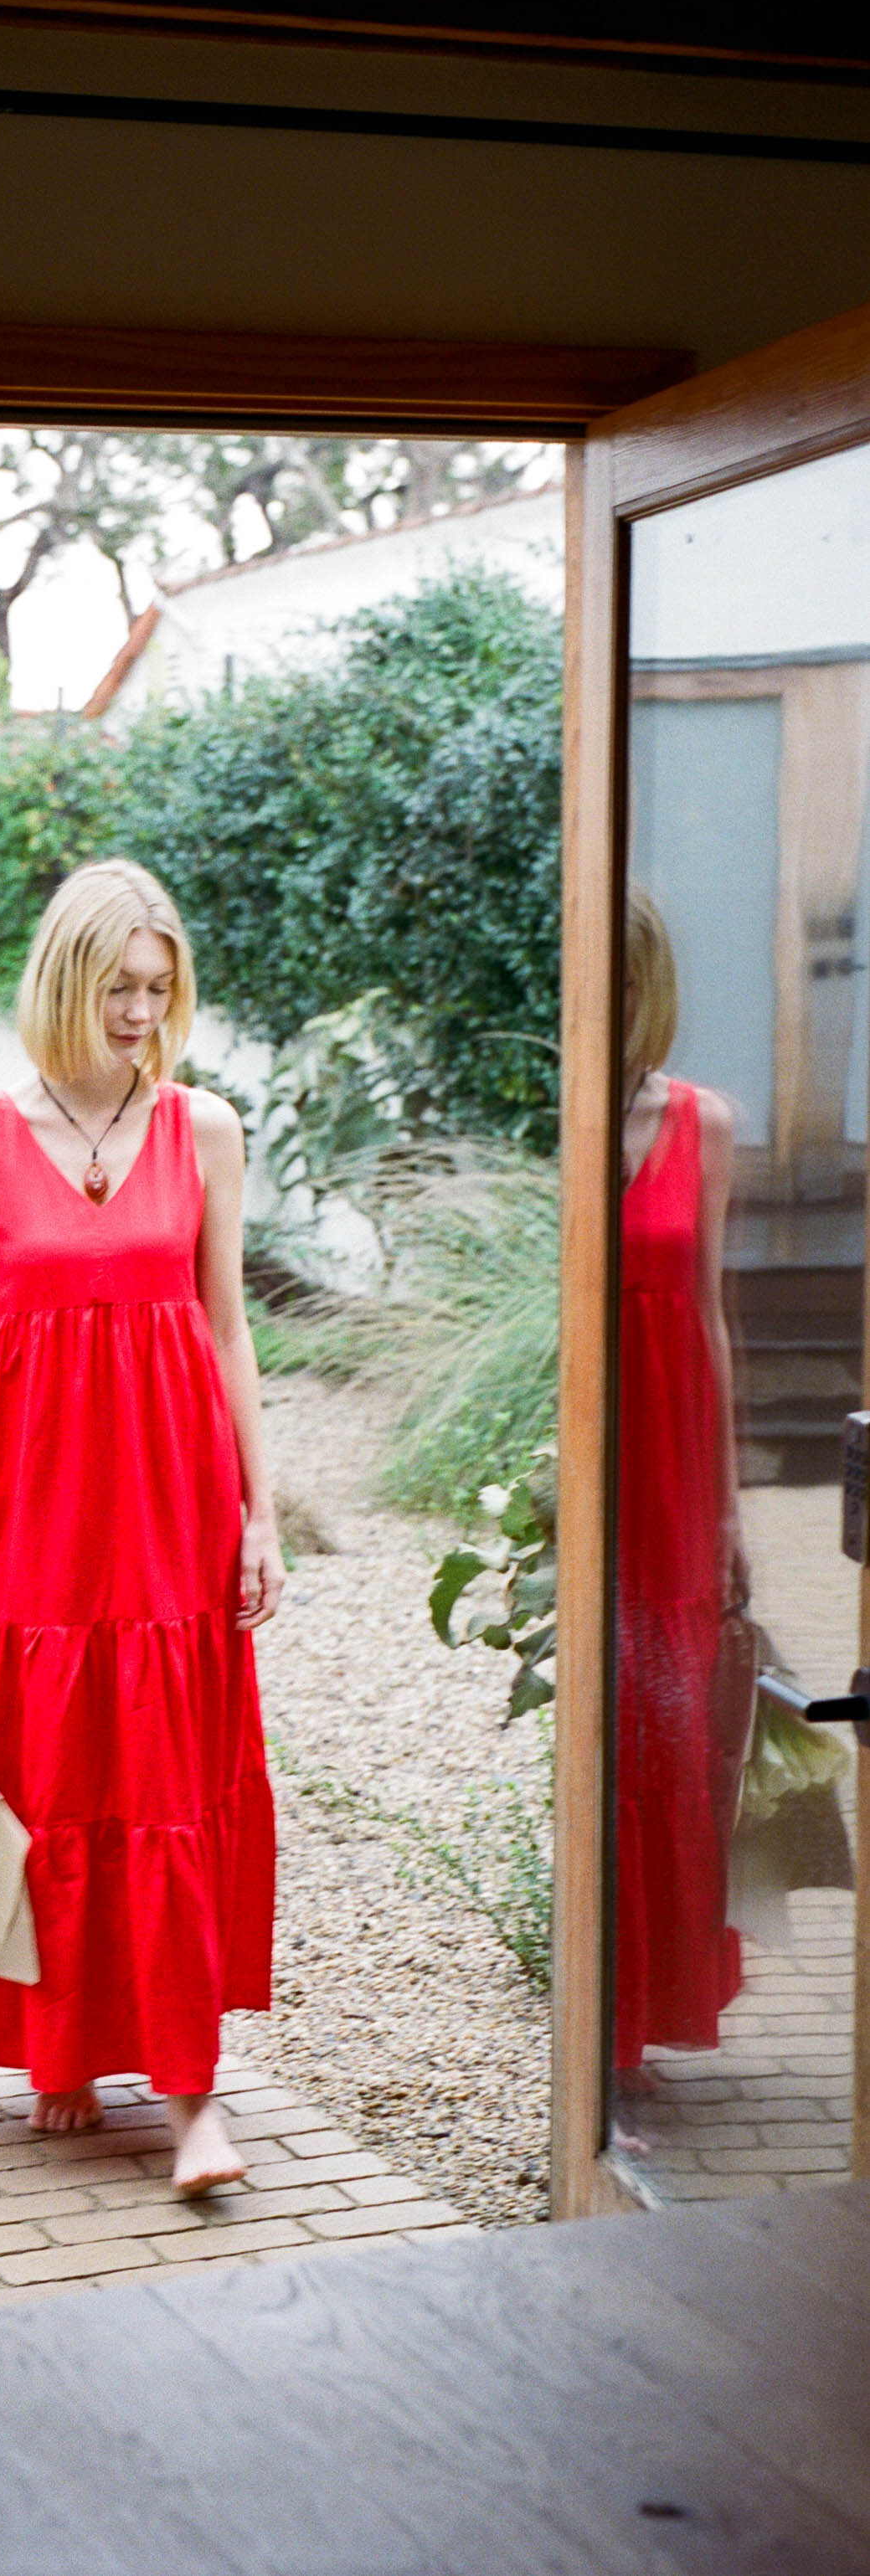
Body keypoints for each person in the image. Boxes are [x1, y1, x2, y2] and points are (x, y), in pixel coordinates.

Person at [0, 858, 281, 2197]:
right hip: (39, 1507)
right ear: (64, 982)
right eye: (117, 986)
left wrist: (258, 1514)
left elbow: (229, 1329)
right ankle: (59, 2045)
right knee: (51, 1767)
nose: (139, 1011)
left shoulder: (205, 1128)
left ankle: (189, 2102)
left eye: (158, 988)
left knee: (170, 1781)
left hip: (173, 1500)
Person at [615, 886, 746, 2087]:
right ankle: (593, 2014)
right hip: (592, 1461)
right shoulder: (559, 1122)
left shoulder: (706, 1122)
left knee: (668, 1724)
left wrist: (726, 1507)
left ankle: (646, 2010)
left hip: (670, 1463)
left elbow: (705, 1312)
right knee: (598, 1728)